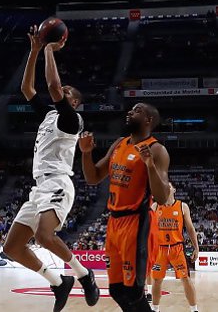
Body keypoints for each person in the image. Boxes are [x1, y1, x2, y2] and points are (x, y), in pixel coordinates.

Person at [3, 26, 99, 312]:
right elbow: (27, 89)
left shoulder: (72, 120)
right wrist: (33, 51)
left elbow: (54, 87)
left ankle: (83, 274)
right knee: (12, 248)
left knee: (44, 237)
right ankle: (58, 282)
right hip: (39, 187)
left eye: (68, 93)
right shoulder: (48, 115)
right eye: (63, 91)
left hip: (58, 182)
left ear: (75, 103)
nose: (62, 92)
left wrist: (48, 49)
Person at [79, 102, 171, 312]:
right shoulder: (120, 143)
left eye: (137, 110)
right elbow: (93, 177)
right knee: (117, 290)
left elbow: (163, 197)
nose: (130, 112)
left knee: (134, 291)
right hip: (114, 222)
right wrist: (86, 153)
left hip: (137, 223)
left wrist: (149, 165)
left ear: (149, 120)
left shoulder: (157, 149)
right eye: (131, 109)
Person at [150, 184, 199, 312]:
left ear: (174, 190)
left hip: (177, 249)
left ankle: (194, 310)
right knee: (156, 279)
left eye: (169, 186)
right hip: (159, 249)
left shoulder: (182, 206)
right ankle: (155, 309)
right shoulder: (155, 206)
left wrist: (196, 247)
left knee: (186, 279)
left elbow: (190, 229)